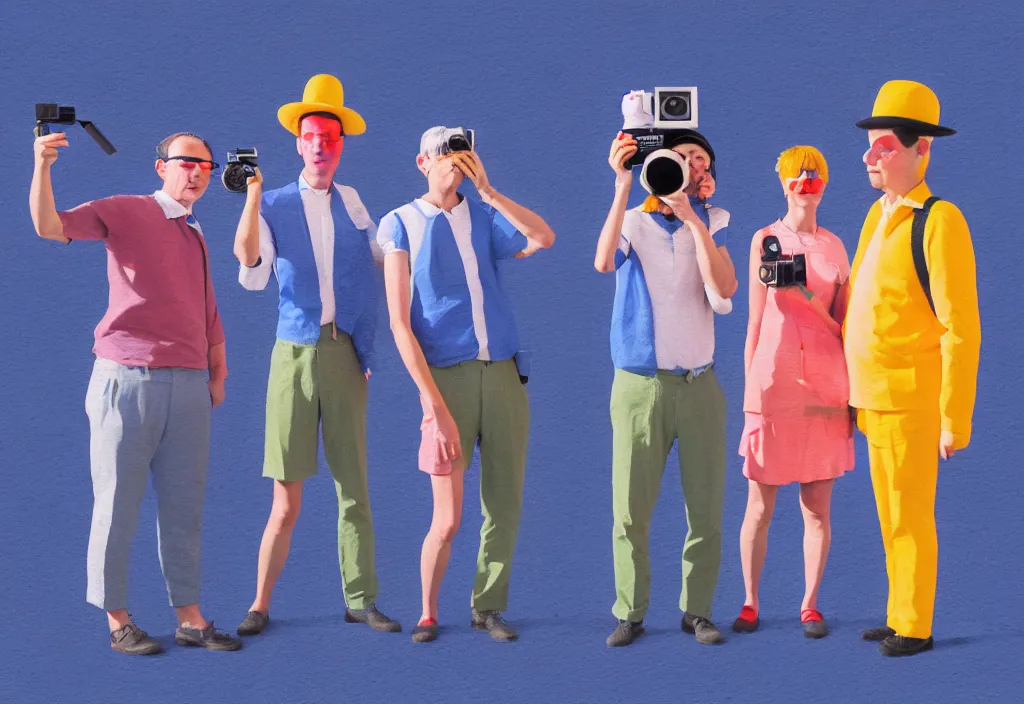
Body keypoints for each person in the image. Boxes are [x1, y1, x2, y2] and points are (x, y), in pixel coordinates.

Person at [28, 129, 242, 654]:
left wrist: (218, 369)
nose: (196, 171)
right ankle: (117, 618)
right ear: (160, 167)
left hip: (189, 387)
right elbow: (48, 226)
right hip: (127, 382)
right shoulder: (126, 211)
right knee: (117, 505)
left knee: (184, 508)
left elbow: (205, 305)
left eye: (205, 166)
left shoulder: (194, 232)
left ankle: (190, 616)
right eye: (185, 161)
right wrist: (43, 166)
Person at [232, 74, 399, 637]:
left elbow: (385, 259)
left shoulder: (353, 202)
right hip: (295, 358)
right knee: (286, 496)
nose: (321, 143)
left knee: (354, 489)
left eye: (330, 134)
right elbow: (251, 272)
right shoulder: (275, 203)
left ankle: (361, 599)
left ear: (341, 143)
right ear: (298, 143)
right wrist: (252, 201)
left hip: (347, 353)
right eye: (312, 135)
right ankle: (258, 604)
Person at [376, 126, 556, 643]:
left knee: (504, 506)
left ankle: (488, 606)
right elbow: (398, 323)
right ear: (421, 162)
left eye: (461, 154)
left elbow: (542, 238)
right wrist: (434, 406)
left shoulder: (482, 214)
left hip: (502, 374)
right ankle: (429, 610)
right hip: (446, 381)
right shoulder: (401, 223)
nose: (453, 163)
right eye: (443, 155)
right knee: (449, 517)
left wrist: (491, 192)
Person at [846, 80, 981, 657]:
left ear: (921, 149)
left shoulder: (939, 219)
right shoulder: (877, 216)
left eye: (884, 147)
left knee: (909, 517)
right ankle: (899, 610)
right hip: (872, 397)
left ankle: (916, 626)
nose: (870, 156)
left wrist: (954, 418)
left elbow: (960, 327)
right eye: (871, 145)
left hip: (911, 398)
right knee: (888, 515)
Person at [594, 128, 738, 647]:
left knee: (706, 507)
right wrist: (620, 184)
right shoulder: (634, 221)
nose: (691, 165)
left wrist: (695, 218)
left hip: (700, 385)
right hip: (639, 386)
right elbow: (604, 262)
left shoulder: (715, 223)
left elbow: (725, 289)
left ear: (708, 177)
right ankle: (630, 611)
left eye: (701, 159)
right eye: (682, 157)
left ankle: (697, 610)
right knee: (630, 509)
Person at [732, 146, 854, 639]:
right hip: (773, 386)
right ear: (782, 181)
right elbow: (754, 323)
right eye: (798, 174)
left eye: (815, 173)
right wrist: (748, 398)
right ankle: (750, 601)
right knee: (759, 505)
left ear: (825, 182)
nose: (807, 180)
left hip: (826, 387)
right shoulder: (765, 240)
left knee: (817, 507)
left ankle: (809, 604)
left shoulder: (836, 247)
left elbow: (847, 320)